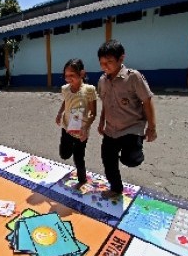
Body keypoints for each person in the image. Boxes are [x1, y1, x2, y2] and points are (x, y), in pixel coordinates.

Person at [97, 39, 157, 198]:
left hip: (132, 127)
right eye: (102, 62)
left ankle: (135, 149)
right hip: (111, 129)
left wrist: (151, 128)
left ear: (121, 58)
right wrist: (101, 122)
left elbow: (147, 100)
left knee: (131, 160)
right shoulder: (102, 81)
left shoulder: (133, 77)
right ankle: (116, 188)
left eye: (109, 61)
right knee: (107, 159)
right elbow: (105, 103)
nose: (105, 66)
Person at [56, 59, 97, 189]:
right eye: (66, 75)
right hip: (66, 127)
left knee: (79, 158)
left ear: (82, 74)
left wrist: (86, 127)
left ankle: (82, 180)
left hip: (81, 131)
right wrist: (59, 113)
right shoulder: (65, 89)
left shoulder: (89, 90)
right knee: (64, 154)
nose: (68, 79)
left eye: (72, 75)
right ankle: (72, 148)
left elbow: (93, 112)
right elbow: (66, 101)